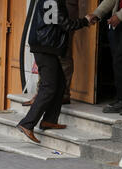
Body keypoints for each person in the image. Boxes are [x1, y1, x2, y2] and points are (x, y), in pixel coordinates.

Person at [17, 0, 90, 144]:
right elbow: (65, 24)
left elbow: (54, 21)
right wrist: (85, 21)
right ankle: (27, 123)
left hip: (44, 45)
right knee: (49, 87)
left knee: (60, 83)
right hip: (46, 47)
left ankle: (49, 120)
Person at [26, 0, 80, 107]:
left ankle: (62, 94)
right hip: (49, 3)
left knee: (63, 51)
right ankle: (42, 93)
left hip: (66, 4)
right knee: (46, 48)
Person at [87, 0, 122, 116]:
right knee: (119, 62)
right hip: (120, 24)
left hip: (121, 19)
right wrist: (97, 13)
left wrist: (120, 15)